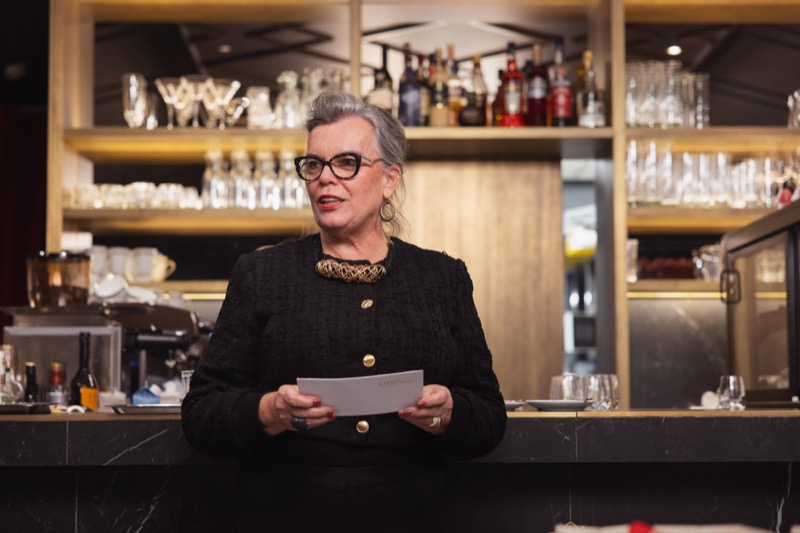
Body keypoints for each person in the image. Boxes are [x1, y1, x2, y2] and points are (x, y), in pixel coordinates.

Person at [181, 92, 506, 532]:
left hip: (418, 514)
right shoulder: (261, 273)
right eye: (313, 165)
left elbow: (489, 416)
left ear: (389, 178)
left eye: (346, 163)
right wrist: (271, 411)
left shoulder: (442, 277)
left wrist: (450, 414)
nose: (325, 179)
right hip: (285, 514)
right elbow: (201, 413)